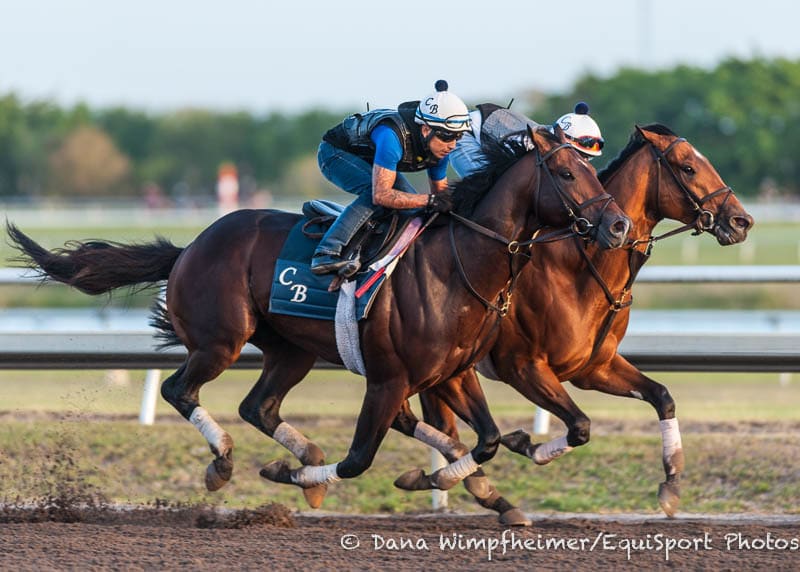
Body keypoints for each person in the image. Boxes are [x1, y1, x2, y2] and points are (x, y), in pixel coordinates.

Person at [310, 80, 471, 275]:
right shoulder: (391, 137)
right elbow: (381, 195)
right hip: (334, 154)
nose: (452, 145)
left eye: (458, 136)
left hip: (373, 161)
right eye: (447, 136)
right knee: (374, 194)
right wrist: (429, 200)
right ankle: (326, 252)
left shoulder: (440, 150)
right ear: (426, 129)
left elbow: (441, 198)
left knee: (412, 209)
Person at [448, 101, 604, 180]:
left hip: (486, 136)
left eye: (587, 158)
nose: (582, 161)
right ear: (563, 140)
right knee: (489, 186)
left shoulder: (547, 143)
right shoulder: (530, 143)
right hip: (464, 135)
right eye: (581, 154)